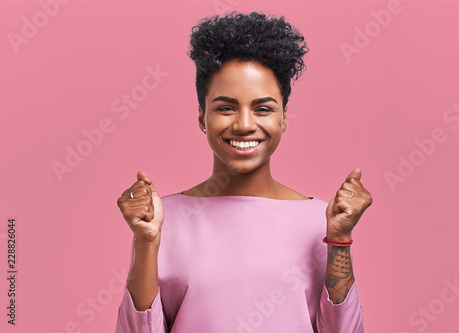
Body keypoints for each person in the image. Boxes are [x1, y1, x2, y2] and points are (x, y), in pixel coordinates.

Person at [114, 11, 372, 333]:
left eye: (263, 108)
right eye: (226, 107)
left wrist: (339, 239)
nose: (245, 125)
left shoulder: (321, 219)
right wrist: (145, 242)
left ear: (283, 118)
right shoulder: (162, 220)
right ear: (201, 117)